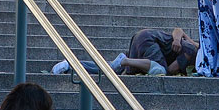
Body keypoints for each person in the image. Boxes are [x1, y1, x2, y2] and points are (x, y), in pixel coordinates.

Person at [52, 27, 199, 76]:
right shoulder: (192, 50)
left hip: (142, 41)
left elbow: (180, 31)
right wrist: (177, 41)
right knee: (161, 70)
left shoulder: (193, 46)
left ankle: (70, 64)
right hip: (149, 40)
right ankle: (125, 60)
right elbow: (170, 70)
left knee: (113, 70)